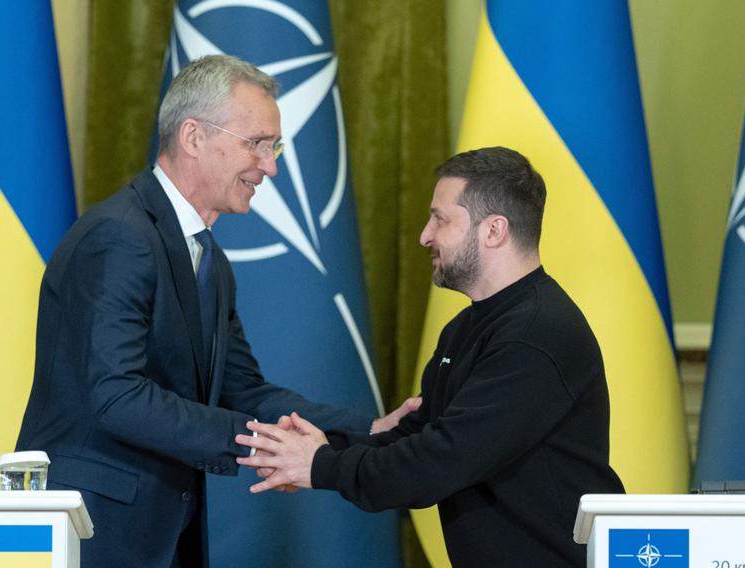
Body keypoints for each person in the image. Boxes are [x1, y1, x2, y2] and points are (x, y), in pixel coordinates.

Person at [15, 54, 416, 568]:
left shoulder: (209, 258)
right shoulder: (120, 237)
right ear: (193, 137)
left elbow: (244, 389)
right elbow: (115, 396)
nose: (270, 166)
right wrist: (261, 444)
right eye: (257, 144)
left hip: (162, 533)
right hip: (92, 530)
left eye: (275, 147)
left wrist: (368, 431)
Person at [236, 147, 626, 567]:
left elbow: (439, 461)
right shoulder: (466, 328)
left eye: (440, 218)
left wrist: (320, 464)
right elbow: (418, 434)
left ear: (494, 230)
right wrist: (316, 447)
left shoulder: (536, 335)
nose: (425, 235)